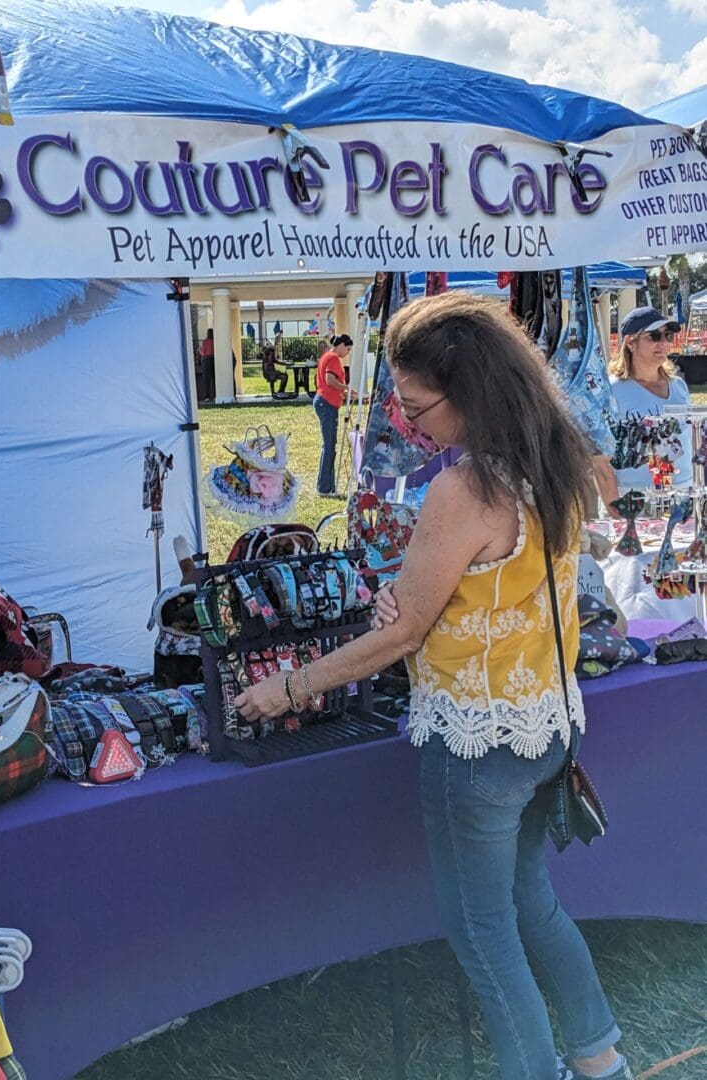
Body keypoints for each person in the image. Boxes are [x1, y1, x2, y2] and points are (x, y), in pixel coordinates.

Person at [235, 294, 632, 1080]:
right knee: (531, 901)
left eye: (417, 406)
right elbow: (507, 573)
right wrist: (422, 600)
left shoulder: (465, 489)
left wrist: (289, 686)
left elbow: (406, 631)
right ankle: (600, 1057)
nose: (410, 424)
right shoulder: (561, 457)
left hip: (480, 739)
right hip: (547, 723)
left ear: (471, 391)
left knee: (483, 930)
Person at [605, 306, 691, 493]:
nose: (663, 343)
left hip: (683, 492)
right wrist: (613, 503)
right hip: (633, 497)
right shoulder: (611, 391)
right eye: (653, 336)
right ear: (630, 342)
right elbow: (599, 458)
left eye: (667, 336)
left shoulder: (679, 387)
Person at [313, 333, 353, 495]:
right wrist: (346, 388)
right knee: (329, 447)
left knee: (329, 446)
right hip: (326, 403)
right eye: (348, 349)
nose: (347, 353)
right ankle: (325, 487)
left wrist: (346, 393)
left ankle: (327, 486)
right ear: (342, 345)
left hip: (325, 401)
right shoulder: (333, 358)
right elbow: (330, 380)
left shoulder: (326, 356)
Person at [197, 329, 215, 401]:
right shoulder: (215, 341)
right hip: (214, 359)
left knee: (206, 379)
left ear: (207, 334)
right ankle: (215, 395)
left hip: (206, 360)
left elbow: (202, 352)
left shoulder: (205, 342)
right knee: (214, 378)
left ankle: (207, 396)